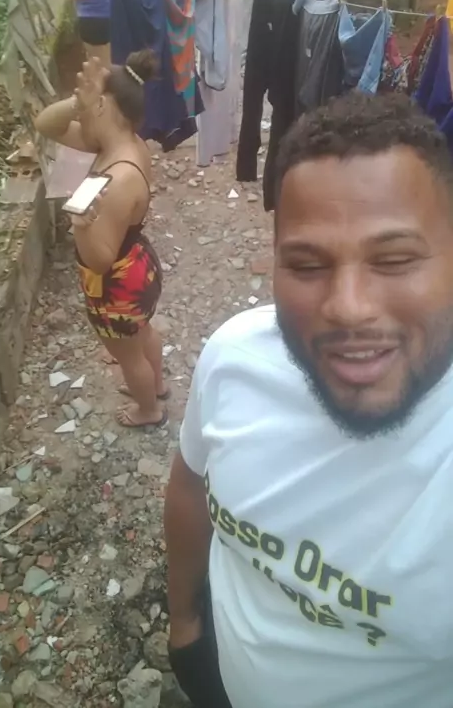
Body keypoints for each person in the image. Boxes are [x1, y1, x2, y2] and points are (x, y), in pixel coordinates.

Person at [165, 92, 453, 708]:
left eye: (394, 259)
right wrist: (185, 623)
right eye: (307, 264)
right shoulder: (235, 357)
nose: (348, 307)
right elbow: (189, 486)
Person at [35, 53, 168, 428]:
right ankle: (156, 386)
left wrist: (80, 227)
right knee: (143, 333)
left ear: (103, 106)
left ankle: (149, 410)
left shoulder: (118, 178)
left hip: (117, 283)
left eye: (89, 103)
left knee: (128, 356)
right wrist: (77, 103)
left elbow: (100, 260)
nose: (80, 114)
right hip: (138, 265)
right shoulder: (125, 144)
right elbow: (46, 124)